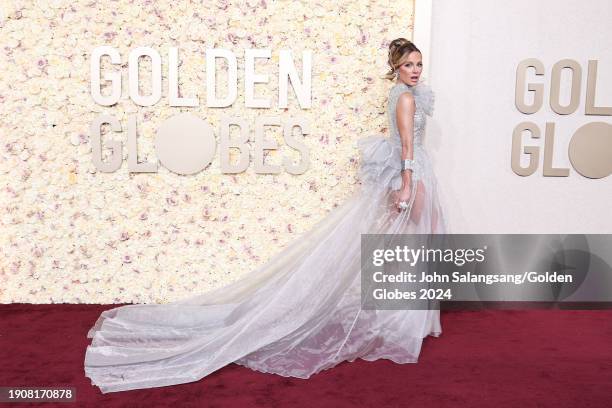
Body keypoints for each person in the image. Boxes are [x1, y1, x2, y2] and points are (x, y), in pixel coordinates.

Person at [84, 38, 447, 393]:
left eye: (418, 65)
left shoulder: (403, 95)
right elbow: (406, 145)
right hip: (407, 172)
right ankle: (404, 320)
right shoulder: (404, 99)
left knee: (411, 241)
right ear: (395, 69)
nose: (414, 71)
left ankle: (404, 317)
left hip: (404, 171)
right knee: (419, 241)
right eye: (407, 66)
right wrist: (406, 181)